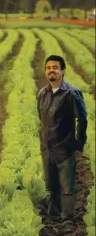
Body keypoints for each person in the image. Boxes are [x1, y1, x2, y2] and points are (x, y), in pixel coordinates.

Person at [37, 55, 87, 226]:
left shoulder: (71, 93)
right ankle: (52, 215)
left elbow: (82, 118)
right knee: (51, 186)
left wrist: (77, 143)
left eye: (55, 67)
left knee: (67, 188)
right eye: (48, 67)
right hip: (47, 147)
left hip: (65, 147)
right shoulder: (42, 93)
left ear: (63, 71)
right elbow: (41, 119)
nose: (51, 70)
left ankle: (68, 219)